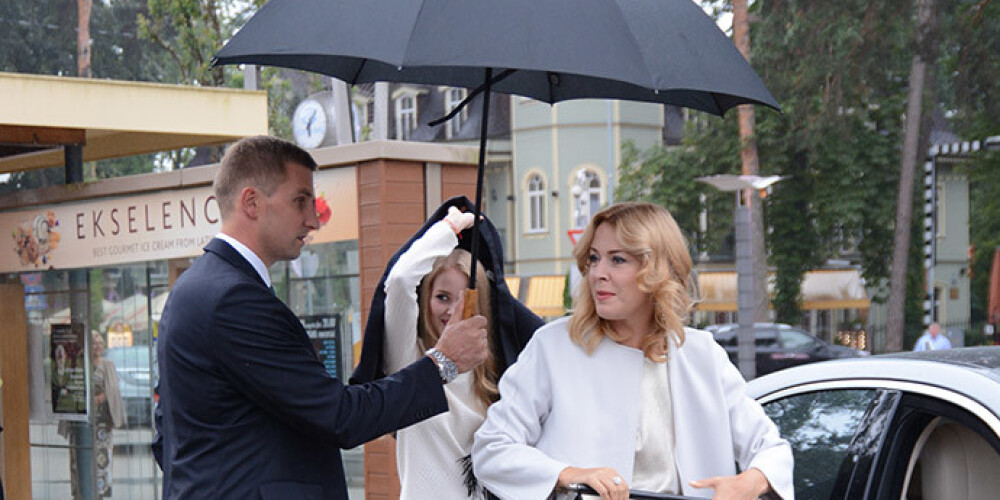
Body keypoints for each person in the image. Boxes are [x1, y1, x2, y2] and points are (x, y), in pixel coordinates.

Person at [153, 135, 489, 500]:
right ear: (251, 202)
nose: (313, 220)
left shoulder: (196, 288)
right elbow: (342, 417)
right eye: (300, 201)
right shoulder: (233, 299)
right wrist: (443, 362)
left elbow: (167, 434)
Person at [472, 202, 794, 500]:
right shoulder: (553, 346)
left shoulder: (701, 353)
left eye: (618, 259)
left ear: (657, 269)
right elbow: (492, 449)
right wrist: (568, 474)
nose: (598, 273)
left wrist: (747, 483)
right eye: (595, 257)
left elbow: (770, 448)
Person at [351, 197, 543, 499]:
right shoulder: (410, 359)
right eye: (441, 297)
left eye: (464, 300)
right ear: (425, 298)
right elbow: (400, 280)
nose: (452, 311)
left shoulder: (500, 371)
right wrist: (447, 229)